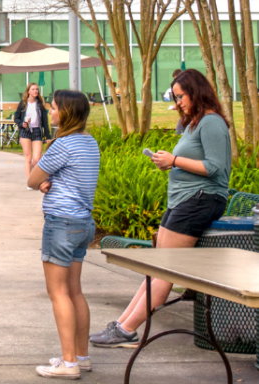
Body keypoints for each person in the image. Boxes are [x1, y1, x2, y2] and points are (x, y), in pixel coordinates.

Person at [90, 69, 231, 348]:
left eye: (181, 97)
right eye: (175, 98)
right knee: (157, 268)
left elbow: (215, 168)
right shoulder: (194, 123)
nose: (178, 103)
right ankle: (122, 325)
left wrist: (174, 161)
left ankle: (127, 329)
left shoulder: (212, 122)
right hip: (184, 200)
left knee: (166, 271)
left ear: (196, 92)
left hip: (201, 199)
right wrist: (168, 160)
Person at [27, 90, 100, 379]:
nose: (51, 112)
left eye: (54, 108)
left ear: (66, 113)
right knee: (74, 291)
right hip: (83, 223)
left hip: (61, 224)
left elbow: (33, 178)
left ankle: (68, 364)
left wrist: (44, 181)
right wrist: (51, 181)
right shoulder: (89, 143)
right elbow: (70, 177)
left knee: (58, 293)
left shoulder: (62, 145)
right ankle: (81, 357)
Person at [14, 83, 50, 185]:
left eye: (37, 89)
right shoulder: (23, 104)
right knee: (28, 158)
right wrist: (22, 124)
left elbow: (45, 122)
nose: (36, 91)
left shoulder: (40, 104)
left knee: (37, 158)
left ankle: (34, 176)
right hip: (25, 132)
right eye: (33, 89)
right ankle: (30, 181)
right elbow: (16, 118)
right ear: (28, 91)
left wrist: (48, 136)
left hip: (37, 131)